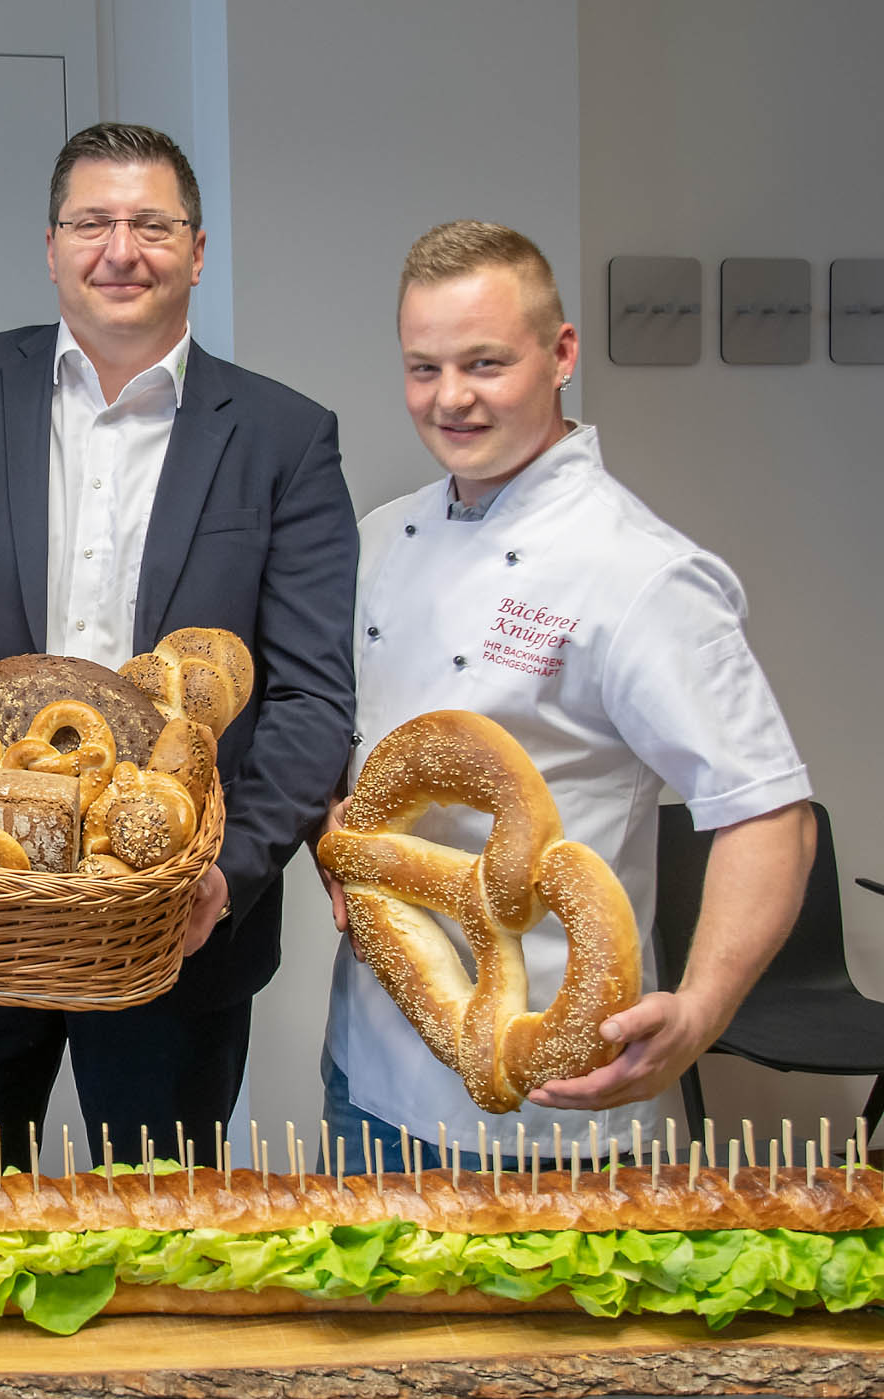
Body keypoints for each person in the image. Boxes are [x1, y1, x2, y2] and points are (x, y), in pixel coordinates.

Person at [0, 123, 359, 1172]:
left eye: (151, 224)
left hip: (176, 930)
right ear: (51, 246)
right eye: (93, 221)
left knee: (163, 1238)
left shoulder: (282, 436)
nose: (120, 248)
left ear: (199, 250)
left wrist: (223, 872)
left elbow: (311, 700)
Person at [318, 220, 815, 1167]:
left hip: (549, 1099)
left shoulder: (638, 574)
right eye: (423, 368)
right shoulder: (382, 539)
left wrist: (701, 1009)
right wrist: (337, 828)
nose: (450, 399)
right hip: (365, 1067)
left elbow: (769, 813)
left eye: (485, 363)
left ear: (562, 354)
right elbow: (363, 754)